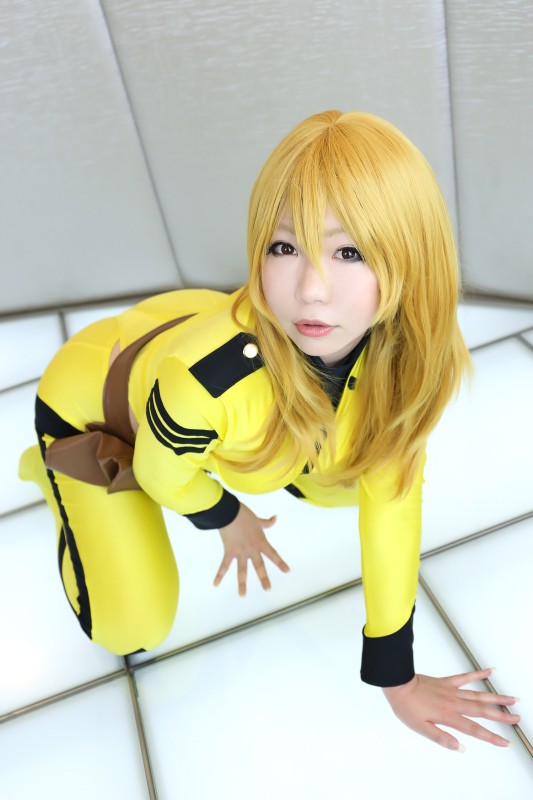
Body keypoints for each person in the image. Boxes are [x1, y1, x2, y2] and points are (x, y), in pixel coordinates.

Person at [19, 110, 519, 751]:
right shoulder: (208, 381)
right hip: (100, 404)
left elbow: (392, 503)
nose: (312, 290)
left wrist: (396, 676)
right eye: (284, 248)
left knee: (355, 474)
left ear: (410, 256)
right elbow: (159, 471)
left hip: (191, 339)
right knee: (131, 629)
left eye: (349, 252)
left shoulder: (404, 349)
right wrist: (227, 516)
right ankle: (52, 474)